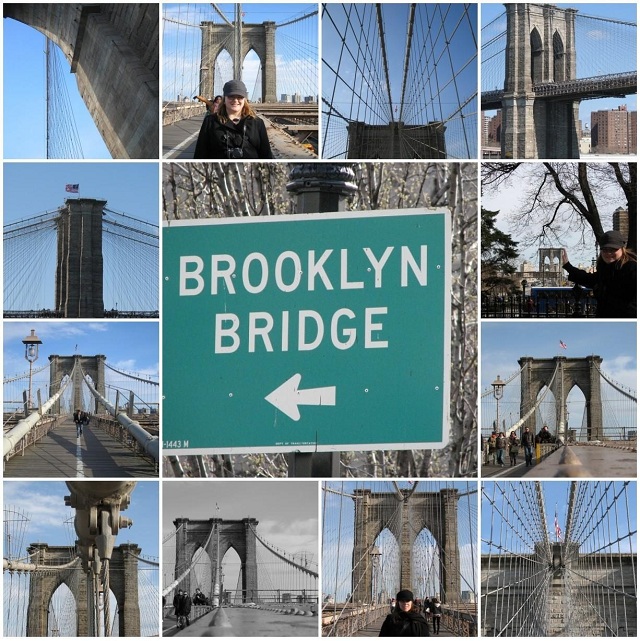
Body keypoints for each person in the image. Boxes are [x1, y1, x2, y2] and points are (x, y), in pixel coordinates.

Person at [562, 231, 636, 318]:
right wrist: (568, 266)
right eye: (605, 250)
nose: (608, 253)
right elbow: (589, 279)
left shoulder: (632, 269)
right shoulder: (605, 268)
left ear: (622, 249)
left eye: (613, 249)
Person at [193, 79, 273, 159]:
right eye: (231, 96)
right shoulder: (210, 121)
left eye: (240, 97)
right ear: (224, 99)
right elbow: (200, 153)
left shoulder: (257, 123)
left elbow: (266, 155)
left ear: (244, 100)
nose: (235, 100)